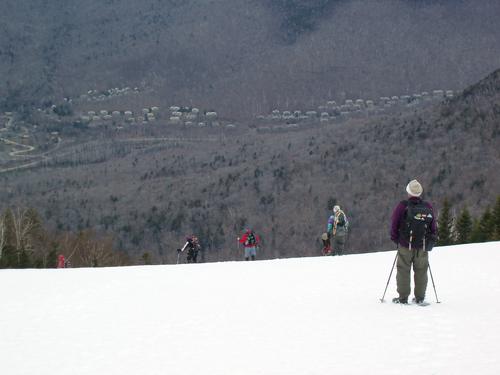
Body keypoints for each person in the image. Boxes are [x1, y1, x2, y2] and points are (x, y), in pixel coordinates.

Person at [390, 179, 437, 304]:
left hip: (405, 245)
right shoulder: (427, 207)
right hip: (422, 246)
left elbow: (394, 224)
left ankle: (403, 298)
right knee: (421, 271)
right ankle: (420, 298)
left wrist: (397, 240)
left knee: (403, 270)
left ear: (408, 192)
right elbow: (433, 228)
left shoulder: (402, 206)